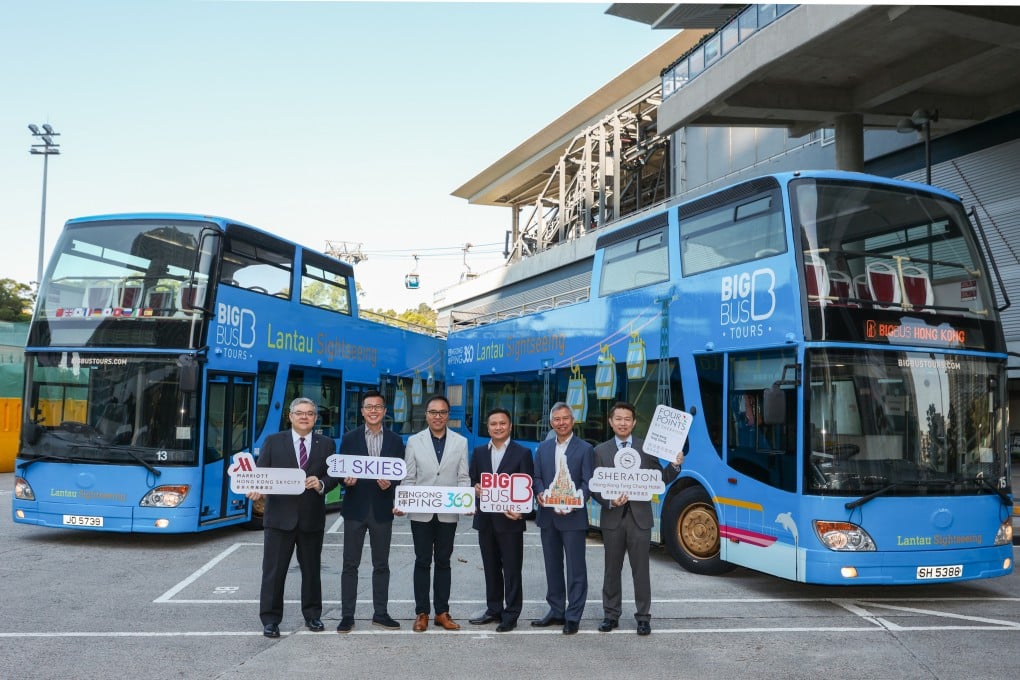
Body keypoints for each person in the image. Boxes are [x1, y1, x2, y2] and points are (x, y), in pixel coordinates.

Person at [247, 397, 338, 638]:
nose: (304, 417)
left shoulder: (326, 444)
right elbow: (261, 474)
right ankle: (270, 619)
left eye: (310, 413)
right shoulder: (273, 442)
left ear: (316, 418)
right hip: (278, 519)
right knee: (274, 572)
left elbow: (333, 476)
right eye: (300, 413)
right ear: (290, 416)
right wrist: (255, 488)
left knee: (311, 572)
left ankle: (313, 616)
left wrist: (320, 483)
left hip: (311, 519)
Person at [592, 401, 683, 636]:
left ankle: (643, 617)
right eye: (618, 419)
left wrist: (674, 466)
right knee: (611, 570)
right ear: (611, 422)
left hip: (640, 518)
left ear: (633, 423)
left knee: (641, 570)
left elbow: (659, 478)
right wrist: (610, 501)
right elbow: (594, 486)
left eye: (627, 419)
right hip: (612, 518)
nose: (623, 423)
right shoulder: (600, 451)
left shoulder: (647, 448)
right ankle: (611, 615)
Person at [397, 394, 470, 632]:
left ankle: (442, 612)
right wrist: (404, 501)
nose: (437, 417)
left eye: (442, 412)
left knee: (443, 561)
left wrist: (466, 501)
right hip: (421, 513)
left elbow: (462, 477)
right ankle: (422, 613)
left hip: (448, 514)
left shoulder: (460, 442)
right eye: (433, 412)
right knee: (422, 561)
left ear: (448, 415)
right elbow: (409, 477)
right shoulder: (414, 441)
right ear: (426, 415)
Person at [335, 390, 405, 633]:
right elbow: (342, 471)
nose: (373, 410)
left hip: (382, 510)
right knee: (349, 565)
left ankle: (381, 613)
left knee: (381, 565)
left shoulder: (396, 441)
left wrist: (392, 484)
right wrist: (347, 481)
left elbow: (400, 473)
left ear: (385, 411)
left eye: (378, 407)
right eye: (369, 407)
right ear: (363, 411)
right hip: (355, 509)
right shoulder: (349, 438)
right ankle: (347, 616)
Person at [468, 407, 535, 633]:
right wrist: (474, 489)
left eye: (502, 423)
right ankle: (493, 609)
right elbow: (472, 481)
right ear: (488, 428)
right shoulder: (478, 452)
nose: (498, 427)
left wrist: (522, 512)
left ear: (510, 426)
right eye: (494, 424)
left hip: (511, 521)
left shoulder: (522, 453)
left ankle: (512, 613)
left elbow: (529, 488)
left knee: (512, 569)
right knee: (491, 568)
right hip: (485, 521)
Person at [531, 401, 594, 635]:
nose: (561, 423)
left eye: (565, 418)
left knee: (576, 568)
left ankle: (573, 615)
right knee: (552, 566)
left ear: (573, 420)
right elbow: (536, 477)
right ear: (551, 422)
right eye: (557, 419)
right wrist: (540, 493)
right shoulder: (543, 448)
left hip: (573, 518)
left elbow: (588, 482)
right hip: (548, 517)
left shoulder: (586, 449)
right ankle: (556, 610)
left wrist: (577, 499)